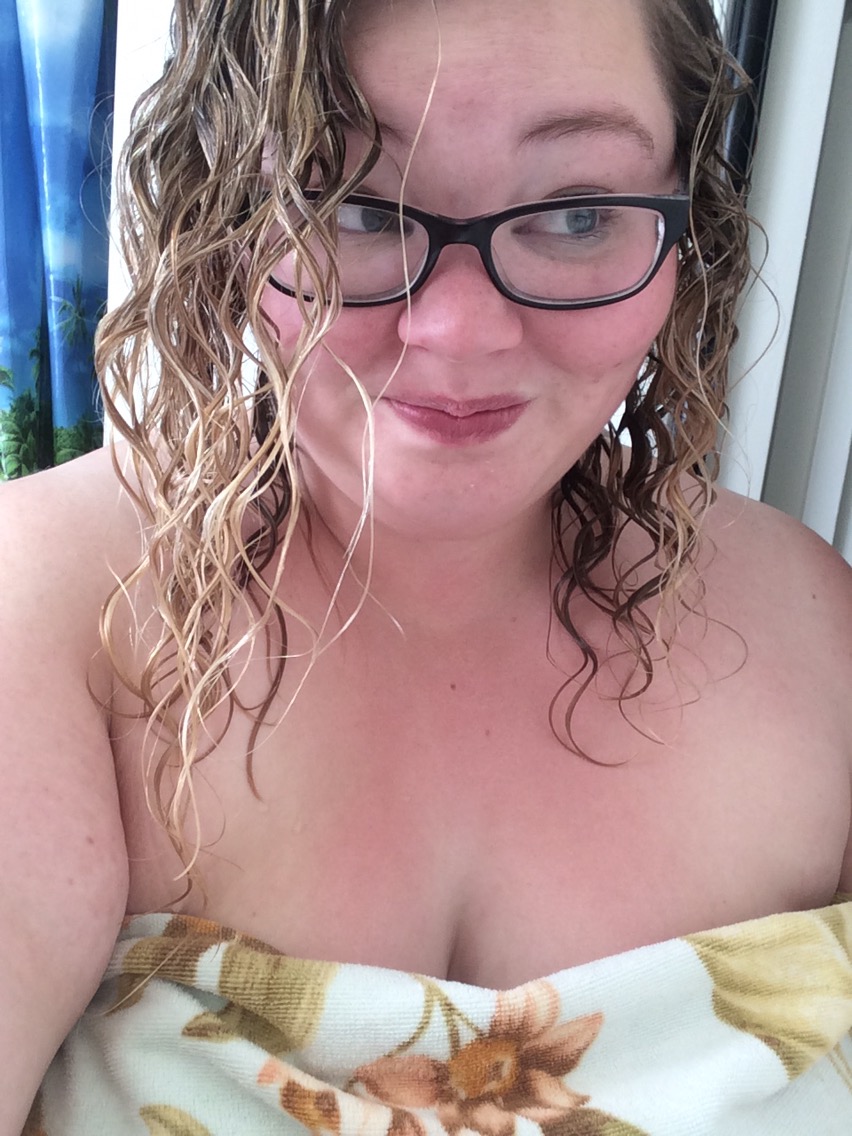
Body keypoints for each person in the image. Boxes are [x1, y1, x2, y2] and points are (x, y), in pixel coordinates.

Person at [2, 0, 851, 1132]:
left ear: (685, 224)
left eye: (578, 212)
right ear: (219, 213)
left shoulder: (822, 633)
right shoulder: (46, 610)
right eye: (355, 207)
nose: (460, 331)